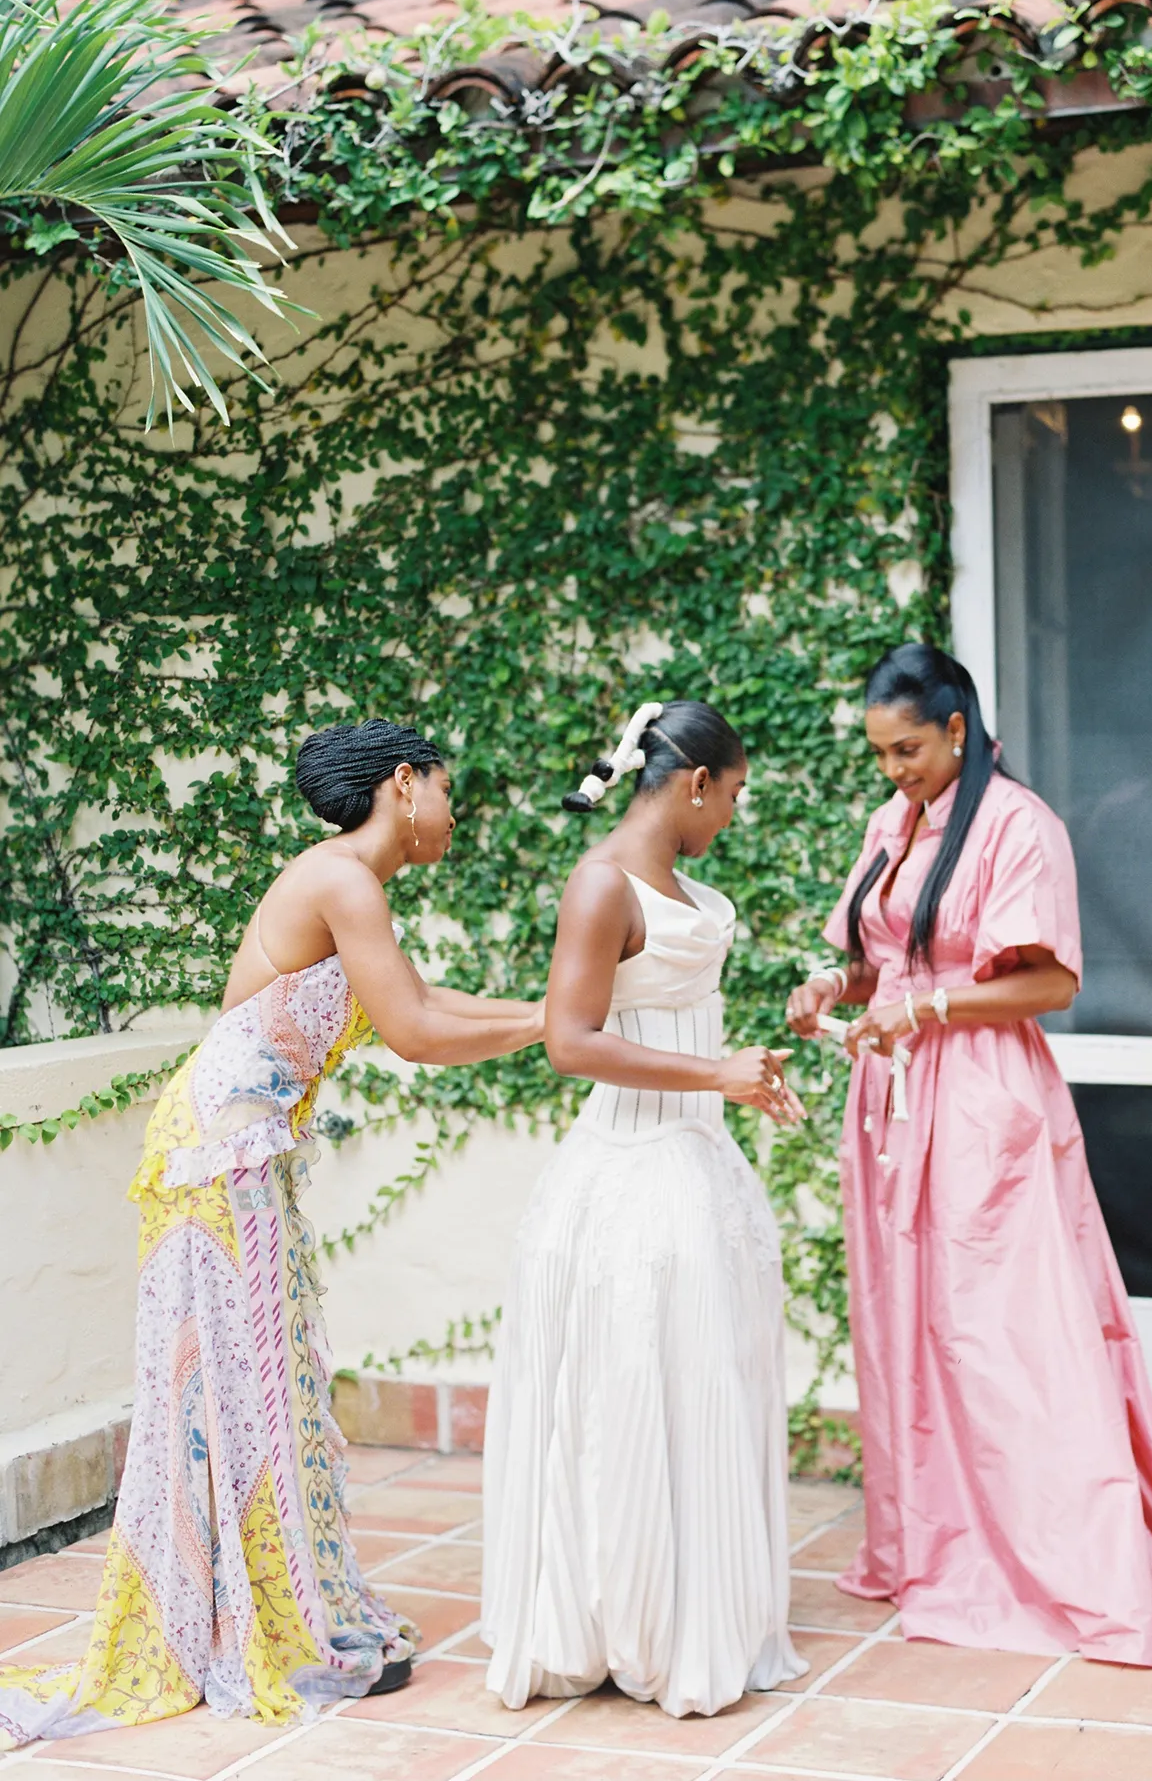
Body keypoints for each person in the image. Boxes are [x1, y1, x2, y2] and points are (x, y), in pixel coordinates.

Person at [0, 720, 545, 1749]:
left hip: (231, 1152)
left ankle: (289, 1612)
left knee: (262, 1389)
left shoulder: (347, 881)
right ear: (404, 783)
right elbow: (423, 1036)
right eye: (446, 786)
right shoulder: (343, 878)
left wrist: (553, 1012)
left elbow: (420, 1003)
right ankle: (268, 1629)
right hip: (218, 1158)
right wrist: (558, 1020)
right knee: (243, 1395)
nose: (454, 807)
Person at [785, 645, 1152, 1667]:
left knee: (1004, 1336)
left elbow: (1050, 984)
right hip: (897, 1104)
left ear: (958, 728)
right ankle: (933, 1541)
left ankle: (1058, 1558)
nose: (893, 769)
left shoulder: (1019, 826)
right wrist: (837, 989)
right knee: (905, 1326)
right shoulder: (891, 823)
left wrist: (932, 1004)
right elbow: (885, 966)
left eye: (907, 747)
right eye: (879, 753)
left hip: (983, 1098)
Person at [481, 700, 809, 1717]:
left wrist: (733, 1078)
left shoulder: (686, 886)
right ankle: (617, 1621)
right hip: (627, 1172)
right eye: (736, 795)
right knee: (625, 1392)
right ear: (696, 782)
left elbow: (671, 1021)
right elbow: (572, 1041)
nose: (734, 818)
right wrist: (716, 1071)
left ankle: (690, 1619)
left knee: (702, 1388)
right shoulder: (600, 883)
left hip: (699, 1170)